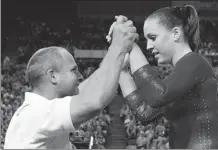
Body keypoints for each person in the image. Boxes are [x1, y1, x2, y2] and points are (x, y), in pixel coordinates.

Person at [4, 15, 138, 149]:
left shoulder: (38, 112)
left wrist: (115, 61)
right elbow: (93, 101)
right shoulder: (35, 113)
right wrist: (118, 46)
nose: (80, 76)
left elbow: (85, 91)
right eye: (73, 70)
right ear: (53, 76)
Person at [118, 5, 218, 149]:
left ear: (176, 34)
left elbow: (158, 95)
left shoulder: (195, 62)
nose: (148, 46)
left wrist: (132, 46)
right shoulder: (182, 75)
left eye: (153, 38)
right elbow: (144, 113)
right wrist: (122, 72)